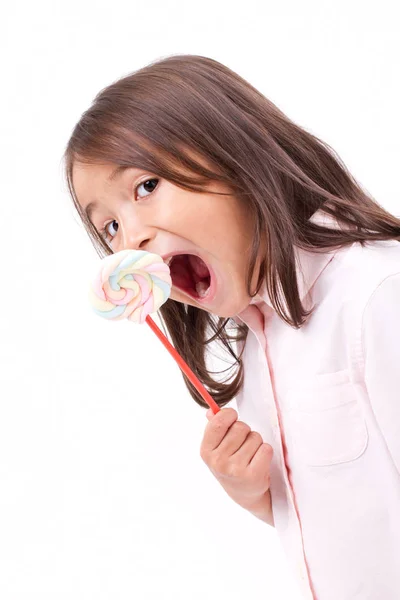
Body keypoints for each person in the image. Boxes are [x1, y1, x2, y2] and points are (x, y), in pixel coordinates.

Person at [62, 54, 400, 600]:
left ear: (237, 154)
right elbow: (358, 513)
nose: (130, 241)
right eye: (110, 226)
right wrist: (261, 495)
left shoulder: (377, 295)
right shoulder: (262, 340)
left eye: (146, 185)